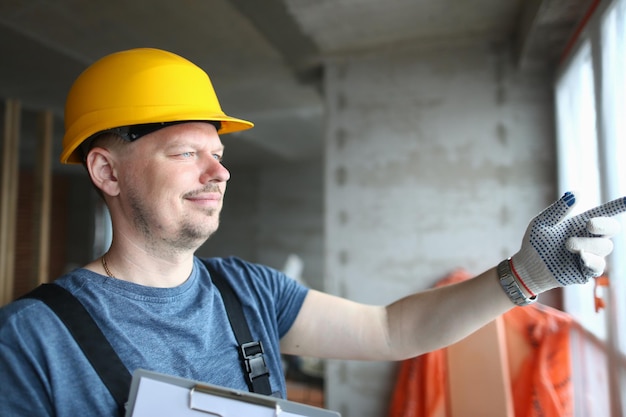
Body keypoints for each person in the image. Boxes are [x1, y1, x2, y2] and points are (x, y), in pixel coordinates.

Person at [0, 48, 624, 417]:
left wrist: (525, 276)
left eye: (217, 152)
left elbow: (394, 329)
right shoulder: (31, 340)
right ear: (106, 170)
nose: (219, 171)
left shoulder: (246, 292)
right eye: (186, 152)